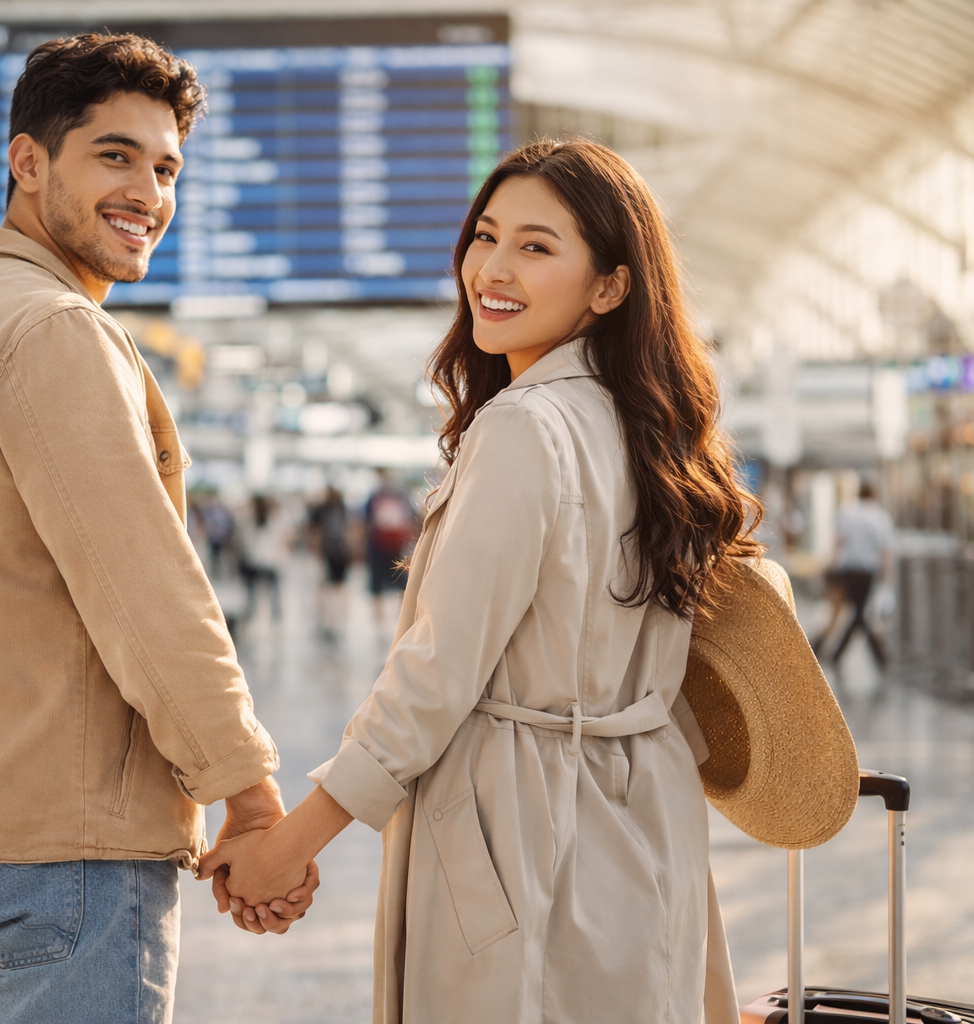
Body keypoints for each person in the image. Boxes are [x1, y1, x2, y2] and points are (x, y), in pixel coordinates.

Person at [0, 33, 315, 1024]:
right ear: (27, 162)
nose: (149, 194)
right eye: (113, 156)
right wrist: (247, 794)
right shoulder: (55, 329)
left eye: (165, 167)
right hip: (54, 855)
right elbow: (145, 594)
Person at [199, 138, 761, 1024]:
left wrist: (290, 844)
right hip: (645, 817)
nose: (492, 270)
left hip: (523, 828)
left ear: (610, 285)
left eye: (537, 247)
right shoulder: (652, 433)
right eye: (486, 237)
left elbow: (437, 674)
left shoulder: (525, 427)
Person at [816, 480, 893, 671]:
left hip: (848, 569)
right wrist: (885, 573)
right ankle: (879, 657)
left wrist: (830, 565)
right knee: (860, 613)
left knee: (858, 613)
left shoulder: (848, 512)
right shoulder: (880, 516)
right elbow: (884, 550)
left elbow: (838, 542)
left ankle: (830, 652)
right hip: (868, 571)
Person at [363, 470, 416, 617]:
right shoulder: (399, 497)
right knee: (393, 585)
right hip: (388, 547)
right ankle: (398, 618)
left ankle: (393, 618)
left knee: (390, 585)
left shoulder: (378, 497)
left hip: (389, 547)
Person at [307, 485, 352, 640]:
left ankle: (332, 617)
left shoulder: (330, 509)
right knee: (332, 586)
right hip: (335, 551)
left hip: (333, 551)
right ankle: (331, 617)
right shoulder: (336, 508)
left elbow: (315, 531)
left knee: (330, 586)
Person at [238, 494, 289, 621]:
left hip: (256, 561)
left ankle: (252, 613)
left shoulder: (252, 521)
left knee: (253, 592)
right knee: (273, 593)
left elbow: (245, 541)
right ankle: (275, 617)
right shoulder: (273, 520)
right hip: (269, 562)